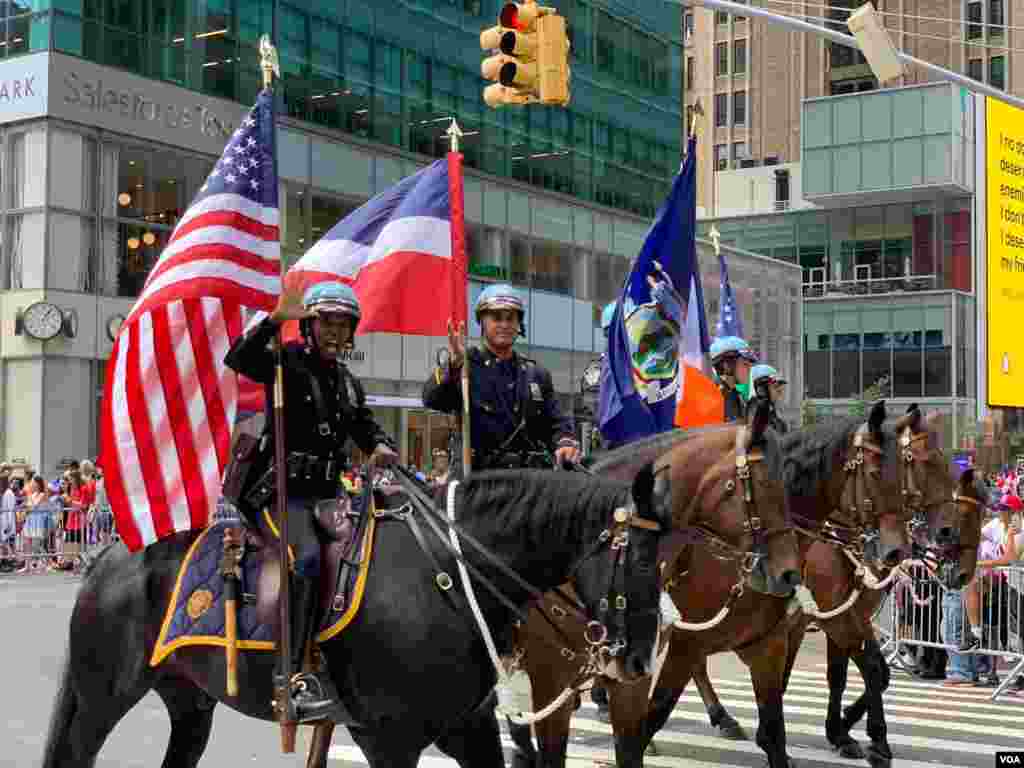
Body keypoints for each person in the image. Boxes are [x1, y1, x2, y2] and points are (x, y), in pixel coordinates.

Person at [224, 280, 398, 722]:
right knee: (304, 562)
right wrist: (274, 320)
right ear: (309, 326)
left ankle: (347, 661)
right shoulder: (284, 362)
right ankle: (291, 678)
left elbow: (365, 427)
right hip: (279, 493)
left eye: (344, 325)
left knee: (372, 558)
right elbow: (239, 358)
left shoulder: (347, 381)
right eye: (327, 323)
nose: (336, 333)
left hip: (328, 496)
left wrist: (381, 446)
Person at [423, 284, 580, 476]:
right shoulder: (465, 364)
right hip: (479, 483)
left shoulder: (536, 374)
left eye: (511, 318)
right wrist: (453, 367)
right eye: (497, 318)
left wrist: (565, 442)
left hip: (528, 482)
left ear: (519, 324)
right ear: (482, 322)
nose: (504, 325)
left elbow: (557, 422)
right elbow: (431, 399)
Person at [709, 336, 758, 423]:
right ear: (727, 365)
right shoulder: (712, 398)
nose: (750, 369)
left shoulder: (737, 396)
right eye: (745, 364)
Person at [748, 364, 789, 434]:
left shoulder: (771, 410)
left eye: (780, 388)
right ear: (761, 389)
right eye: (776, 387)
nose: (780, 392)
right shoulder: (755, 411)